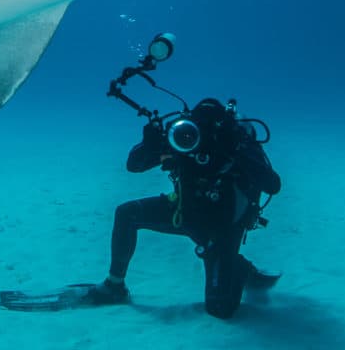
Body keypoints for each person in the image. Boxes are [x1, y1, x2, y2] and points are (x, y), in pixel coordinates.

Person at [85, 98, 283, 319]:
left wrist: (236, 151)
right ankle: (115, 285)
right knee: (126, 213)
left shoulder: (236, 143)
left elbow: (273, 185)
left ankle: (240, 268)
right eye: (197, 128)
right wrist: (149, 144)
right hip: (183, 212)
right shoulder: (182, 137)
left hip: (223, 228)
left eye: (209, 129)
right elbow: (133, 165)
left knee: (220, 309)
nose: (200, 137)